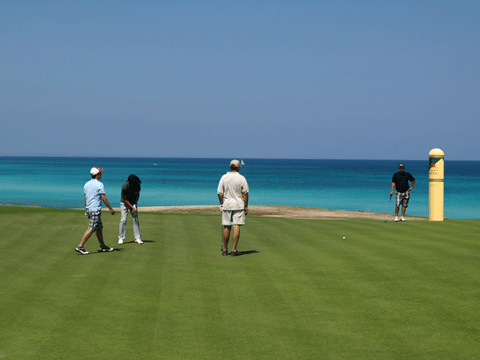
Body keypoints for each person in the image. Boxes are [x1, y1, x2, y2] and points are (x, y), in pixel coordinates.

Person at [75, 167, 116, 255]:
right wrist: (110, 208)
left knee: (99, 228)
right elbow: (103, 197)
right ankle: (80, 246)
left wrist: (86, 208)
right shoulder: (99, 184)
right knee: (92, 228)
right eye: (100, 173)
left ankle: (103, 246)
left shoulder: (86, 184)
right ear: (97, 174)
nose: (101, 174)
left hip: (89, 209)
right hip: (95, 210)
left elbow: (85, 198)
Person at [217, 159, 249, 256]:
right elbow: (245, 193)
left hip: (227, 204)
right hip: (238, 205)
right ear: (238, 167)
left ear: (231, 167)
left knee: (227, 226)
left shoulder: (224, 177)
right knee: (236, 226)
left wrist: (221, 203)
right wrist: (246, 206)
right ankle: (234, 250)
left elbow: (219, 193)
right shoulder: (241, 178)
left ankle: (225, 250)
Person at [118, 174, 143, 245]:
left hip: (133, 202)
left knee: (135, 220)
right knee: (123, 219)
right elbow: (125, 199)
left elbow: (138, 194)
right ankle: (121, 237)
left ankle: (137, 238)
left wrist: (134, 204)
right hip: (124, 203)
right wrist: (132, 207)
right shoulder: (125, 186)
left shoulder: (137, 184)